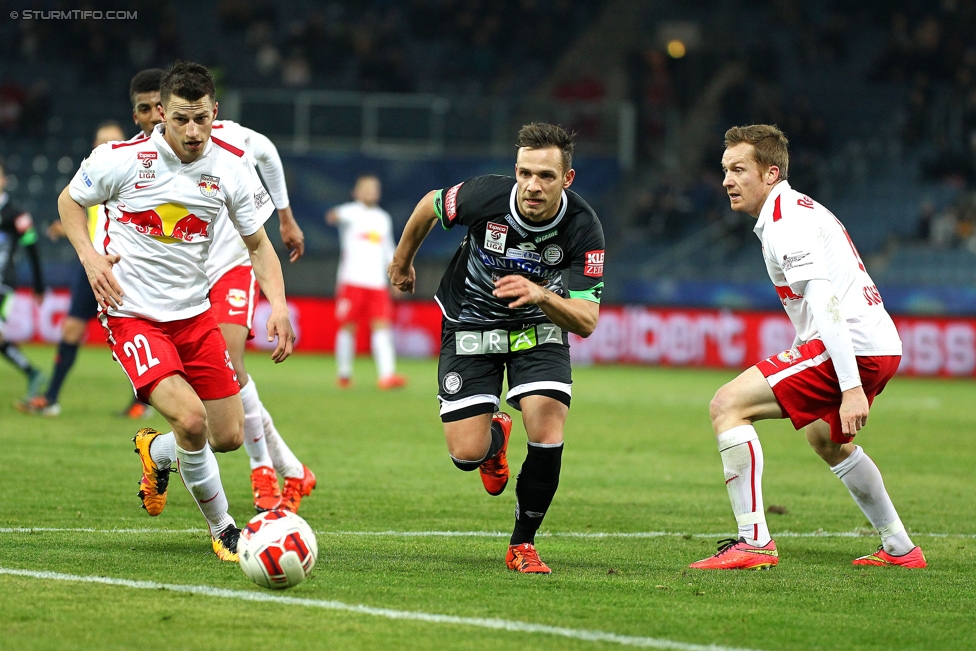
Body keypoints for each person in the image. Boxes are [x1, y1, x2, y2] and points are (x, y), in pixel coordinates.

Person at [57, 60, 295, 562]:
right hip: (132, 313)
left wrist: (278, 305)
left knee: (226, 434)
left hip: (193, 313)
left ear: (216, 113)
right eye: (182, 118)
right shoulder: (120, 159)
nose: (192, 131)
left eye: (202, 119)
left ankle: (157, 451)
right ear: (160, 113)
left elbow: (259, 245)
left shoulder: (230, 167)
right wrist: (90, 257)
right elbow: (69, 201)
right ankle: (225, 528)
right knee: (191, 420)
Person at [690, 124, 925, 570]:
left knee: (727, 406)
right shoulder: (793, 211)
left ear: (771, 173)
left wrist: (850, 387)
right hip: (877, 343)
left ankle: (754, 541)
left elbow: (826, 302)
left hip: (854, 346)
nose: (727, 180)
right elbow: (819, 304)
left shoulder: (787, 223)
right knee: (825, 439)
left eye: (739, 169)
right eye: (725, 170)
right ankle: (899, 547)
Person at [388, 123, 605, 574]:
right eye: (525, 172)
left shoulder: (583, 226)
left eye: (546, 175)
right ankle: (495, 440)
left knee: (547, 428)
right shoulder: (483, 196)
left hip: (537, 328)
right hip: (470, 323)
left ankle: (522, 544)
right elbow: (428, 205)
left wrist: (542, 295)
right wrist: (402, 261)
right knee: (465, 454)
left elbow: (586, 321)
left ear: (567, 179)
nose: (532, 185)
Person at [121, 68, 316, 515]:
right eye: (152, 111)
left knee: (231, 366)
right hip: (185, 280)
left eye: (198, 115)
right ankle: (288, 467)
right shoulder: (138, 161)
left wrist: (284, 217)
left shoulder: (229, 141)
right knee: (212, 400)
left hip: (232, 264)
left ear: (209, 111)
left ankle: (263, 469)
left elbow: (266, 153)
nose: (163, 119)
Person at [16, 121, 143, 418]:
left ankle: (142, 402)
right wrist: (68, 230)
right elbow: (89, 217)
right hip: (91, 265)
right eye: (100, 142)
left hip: (124, 267)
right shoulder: (92, 178)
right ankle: (51, 398)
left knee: (134, 334)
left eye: (112, 141)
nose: (105, 146)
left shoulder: (133, 178)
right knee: (72, 327)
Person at [325, 174, 406, 390]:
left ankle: (387, 376)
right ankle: (344, 374)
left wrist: (396, 277)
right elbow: (332, 215)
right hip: (352, 281)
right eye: (366, 188)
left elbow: (389, 249)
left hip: (377, 283)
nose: (371, 191)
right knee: (347, 327)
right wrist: (335, 216)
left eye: (374, 188)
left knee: (382, 326)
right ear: (356, 191)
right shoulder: (350, 212)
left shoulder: (383, 218)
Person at [0, 158, 46, 399]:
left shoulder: (16, 215)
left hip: (3, 284)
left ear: (5, 180)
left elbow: (32, 248)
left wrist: (39, 285)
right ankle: (32, 372)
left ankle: (32, 373)